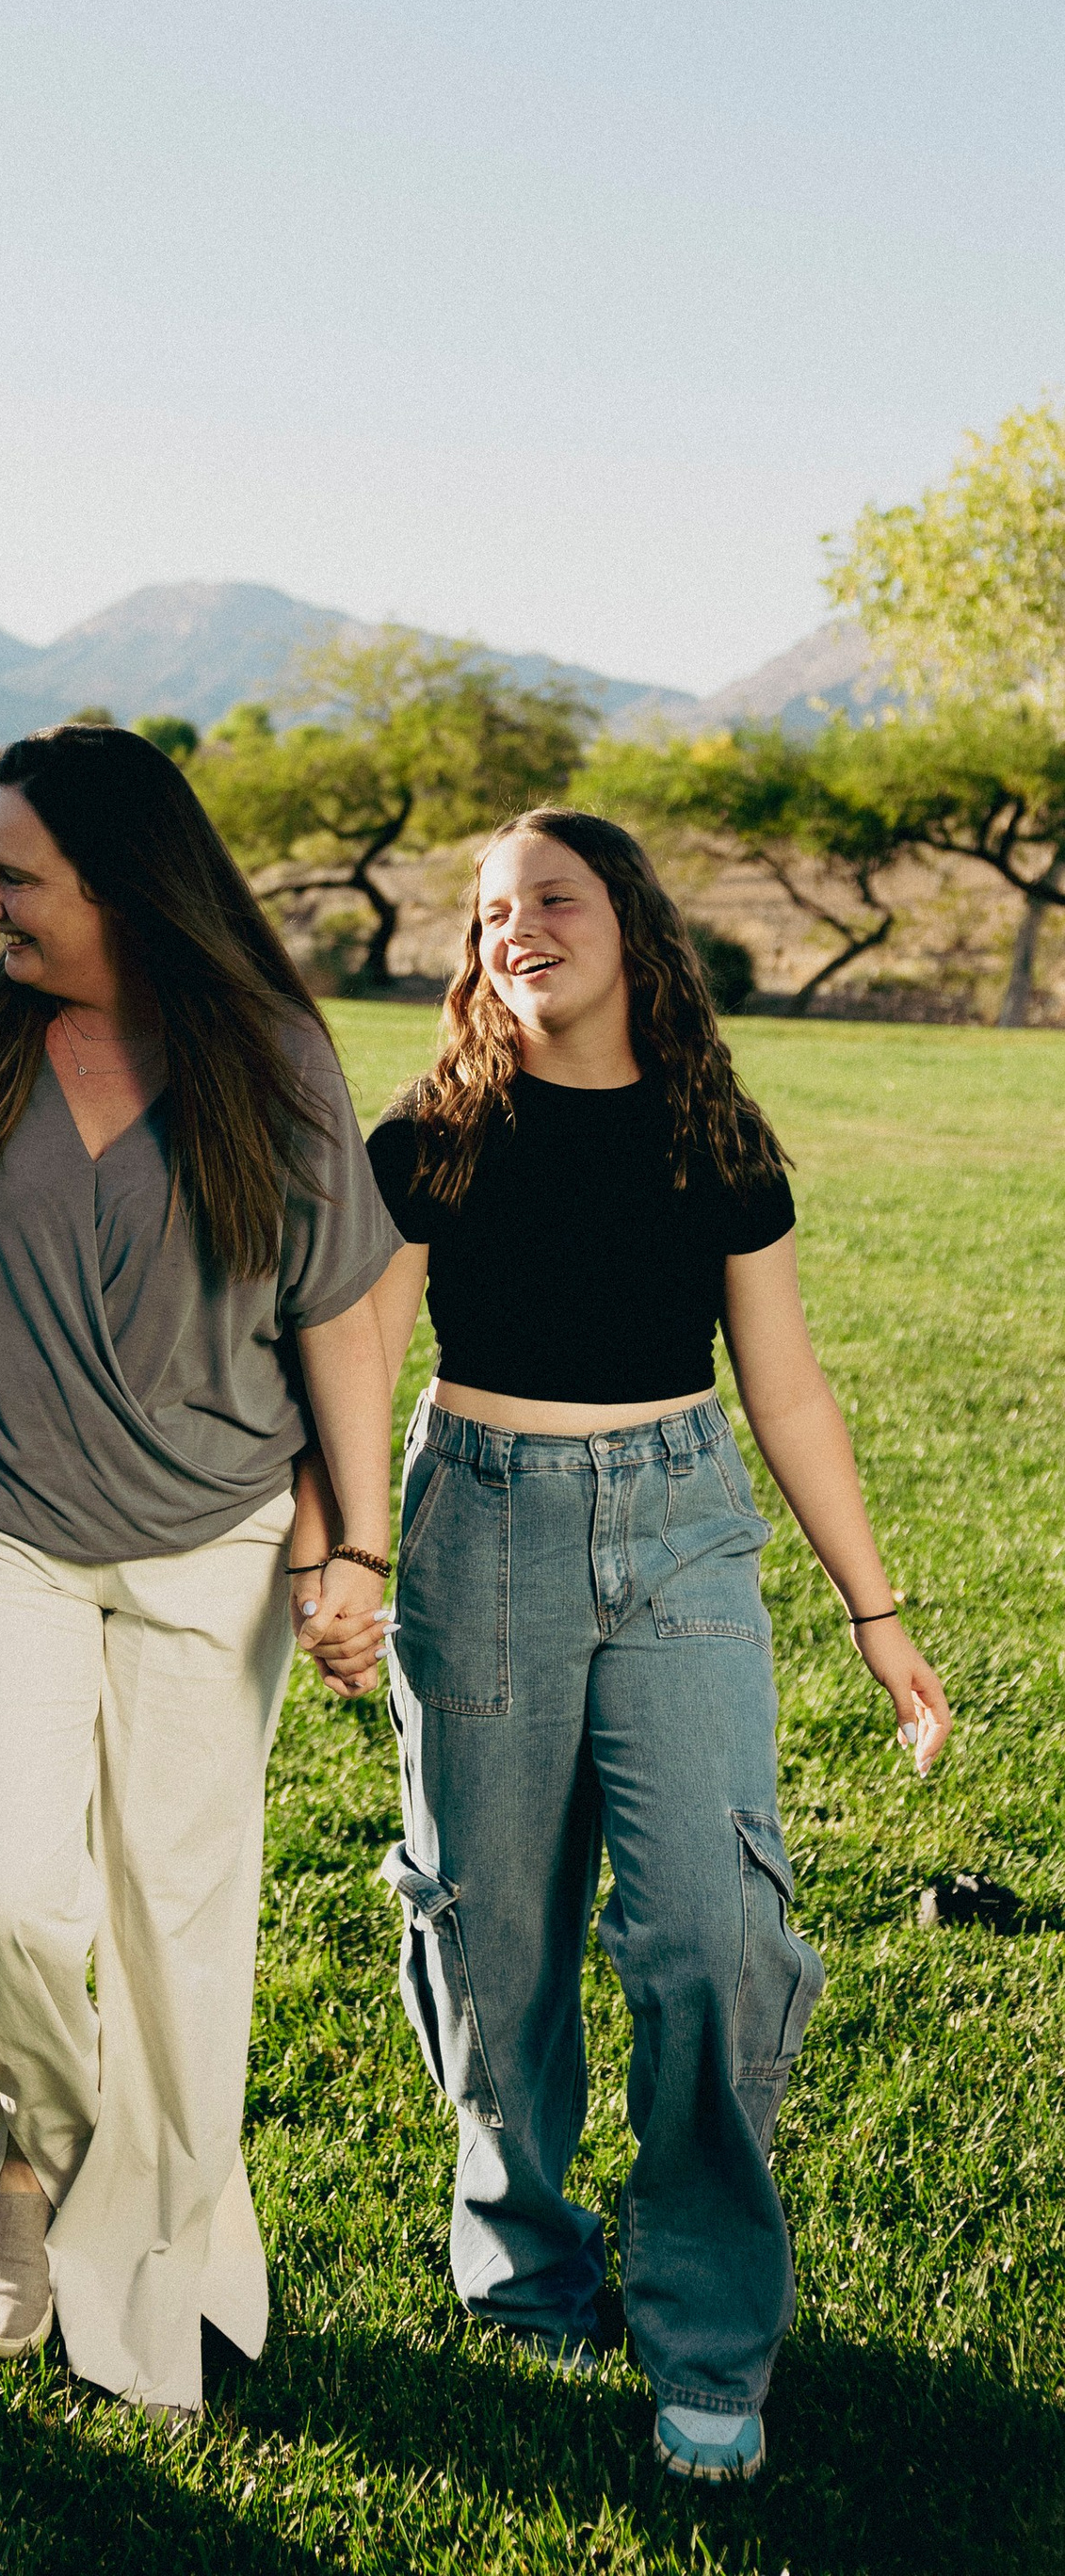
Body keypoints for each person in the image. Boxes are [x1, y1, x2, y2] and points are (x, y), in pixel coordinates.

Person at [0, 726, 398, 2419]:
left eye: (15, 877)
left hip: (212, 1542)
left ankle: (124, 2227)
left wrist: (354, 1543)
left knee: (176, 1938)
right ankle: (43, 2163)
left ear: (125, 887)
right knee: (8, 1894)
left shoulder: (270, 1057)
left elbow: (340, 1316)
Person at [355, 806, 950, 2488]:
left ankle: (704, 2321)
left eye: (554, 897)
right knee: (499, 1936)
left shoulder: (714, 1132)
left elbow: (791, 1388)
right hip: (478, 1522)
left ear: (631, 922)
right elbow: (357, 1353)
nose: (520, 928)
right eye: (490, 912)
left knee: (710, 1923)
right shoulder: (433, 1136)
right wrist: (331, 1547)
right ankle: (526, 2251)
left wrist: (876, 1610)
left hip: (682, 1521)